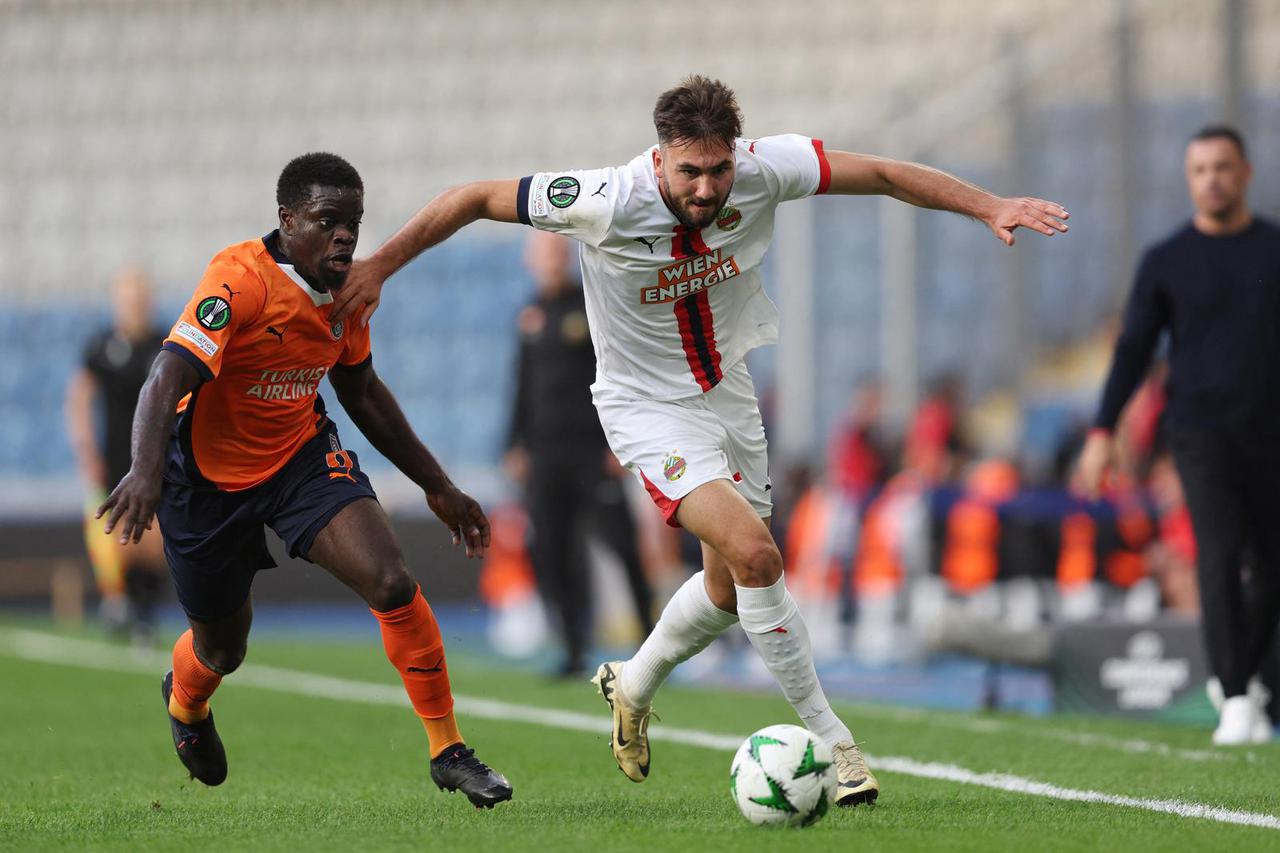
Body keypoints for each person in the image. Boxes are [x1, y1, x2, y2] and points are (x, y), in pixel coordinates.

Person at [330, 75, 1069, 806]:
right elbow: (472, 197)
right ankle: (838, 743)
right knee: (757, 554)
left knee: (725, 588)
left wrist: (987, 204)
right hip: (646, 408)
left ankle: (634, 683)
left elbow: (878, 172)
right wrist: (381, 265)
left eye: (719, 169)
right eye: (691, 170)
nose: (709, 187)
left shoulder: (765, 168)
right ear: (660, 159)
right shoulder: (607, 199)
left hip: (729, 394)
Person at [97, 152, 512, 806]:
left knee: (390, 578)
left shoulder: (348, 294)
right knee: (223, 649)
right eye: (329, 222)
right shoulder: (238, 279)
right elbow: (166, 375)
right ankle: (185, 703)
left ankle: (447, 747)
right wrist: (144, 471)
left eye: (354, 222)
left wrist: (439, 485)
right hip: (202, 481)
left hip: (298, 458)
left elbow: (362, 391)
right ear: (288, 221)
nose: (346, 237)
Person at [1079, 125, 1280, 746]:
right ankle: (1239, 697)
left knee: (1272, 568)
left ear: (1245, 173)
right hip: (1199, 434)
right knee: (1217, 556)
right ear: (1189, 179)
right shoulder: (1166, 261)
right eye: (1200, 170)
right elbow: (1134, 349)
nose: (1212, 179)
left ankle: (1248, 675)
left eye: (1223, 167)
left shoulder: (1274, 249)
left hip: (1271, 432)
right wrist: (1103, 429)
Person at [505, 230, 654, 677]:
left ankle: (651, 643)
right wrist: (514, 444)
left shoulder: (589, 308)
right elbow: (521, 387)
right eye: (542, 254)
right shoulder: (528, 316)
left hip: (592, 451)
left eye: (555, 253)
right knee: (553, 551)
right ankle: (573, 647)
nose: (550, 261)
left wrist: (618, 441)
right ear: (530, 262)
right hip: (545, 455)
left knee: (621, 544)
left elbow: (618, 376)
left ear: (566, 258)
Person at [65, 266, 168, 642]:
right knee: (113, 536)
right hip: (113, 458)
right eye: (127, 300)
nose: (134, 307)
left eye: (139, 299)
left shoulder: (165, 344)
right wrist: (85, 448)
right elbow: (79, 397)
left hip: (155, 457)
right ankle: (119, 602)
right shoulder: (101, 346)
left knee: (154, 540)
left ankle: (144, 613)